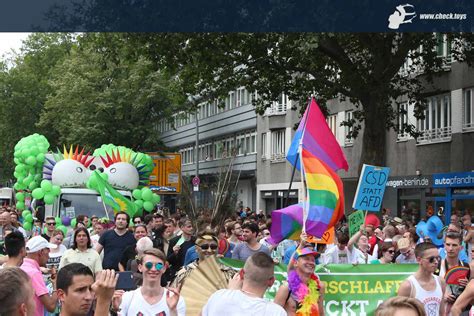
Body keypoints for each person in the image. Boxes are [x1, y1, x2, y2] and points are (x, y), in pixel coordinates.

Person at [202, 252, 286, 316]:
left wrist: (230, 293)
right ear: (271, 281)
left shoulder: (218, 296)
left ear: (241, 273)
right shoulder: (277, 312)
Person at [112, 248, 186, 315]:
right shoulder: (127, 298)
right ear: (140, 267)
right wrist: (115, 310)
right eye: (149, 265)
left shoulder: (175, 299)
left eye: (159, 266)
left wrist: (173, 310)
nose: (153, 269)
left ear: (164, 269)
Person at [398, 242, 446, 316]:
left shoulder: (441, 282)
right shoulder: (408, 286)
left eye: (438, 258)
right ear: (419, 260)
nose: (436, 262)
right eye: (431, 259)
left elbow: (441, 312)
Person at [274, 247, 325, 315]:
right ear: (296, 263)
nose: (311, 263)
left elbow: (321, 313)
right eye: (306, 259)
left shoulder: (319, 287)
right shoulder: (286, 288)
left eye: (313, 260)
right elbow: (273, 313)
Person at [20, 236, 59, 316]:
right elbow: (51, 306)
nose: (49, 256)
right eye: (48, 251)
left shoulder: (21, 268)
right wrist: (55, 284)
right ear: (41, 252)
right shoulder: (34, 273)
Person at [436, 232, 471, 314]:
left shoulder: (467, 267)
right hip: (439, 311)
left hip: (459, 312)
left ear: (461, 248)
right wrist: (442, 296)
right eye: (448, 244)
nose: (450, 248)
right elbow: (426, 289)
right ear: (444, 245)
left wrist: (467, 287)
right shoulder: (436, 266)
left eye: (454, 245)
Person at [167, 217, 196, 282]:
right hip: (178, 275)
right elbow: (168, 260)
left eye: (192, 226)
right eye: (189, 227)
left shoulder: (196, 240)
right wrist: (174, 253)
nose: (191, 228)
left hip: (193, 274)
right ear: (182, 227)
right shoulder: (174, 241)